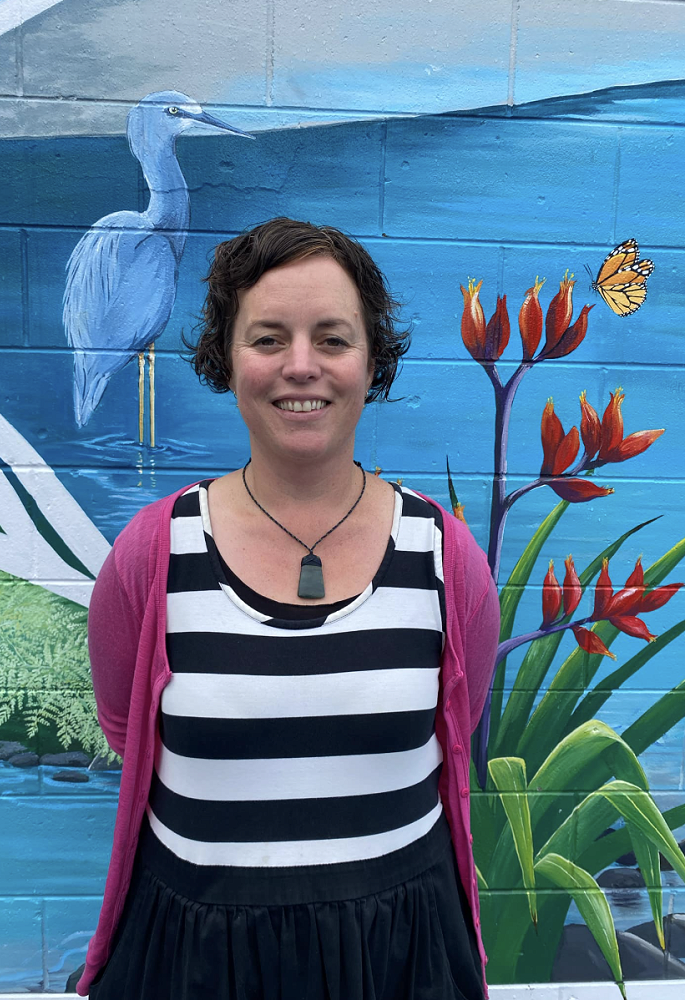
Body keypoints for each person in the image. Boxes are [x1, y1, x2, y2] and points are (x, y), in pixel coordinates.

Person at [77, 217, 500, 1000]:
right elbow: (126, 730)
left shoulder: (446, 559)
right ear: (226, 356)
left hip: (399, 953)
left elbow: (457, 720)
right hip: (196, 955)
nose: (300, 366)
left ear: (372, 359)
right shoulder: (151, 556)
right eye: (268, 339)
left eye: (332, 339)